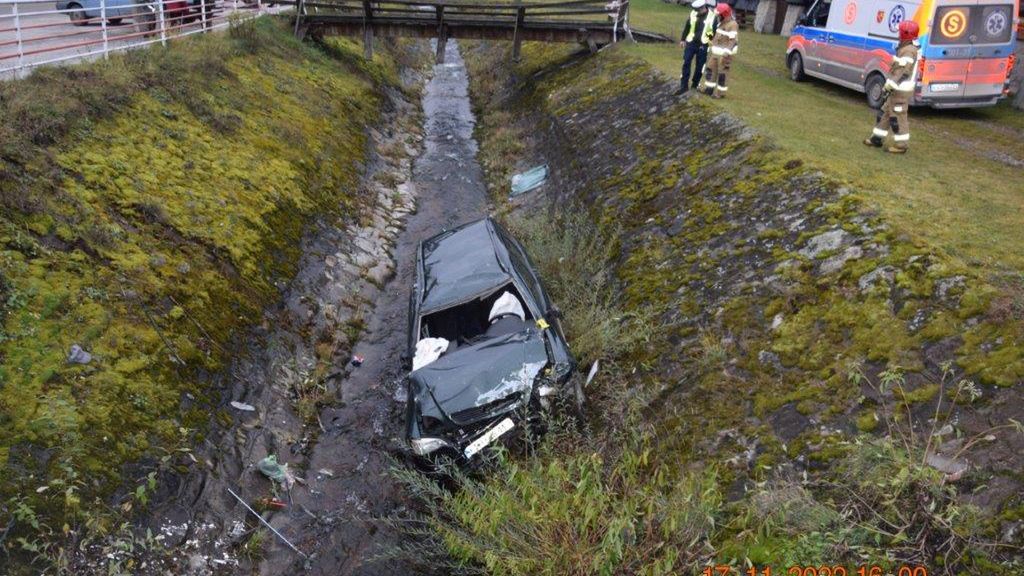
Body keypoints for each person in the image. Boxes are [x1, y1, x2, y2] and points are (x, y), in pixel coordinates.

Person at [864, 20, 920, 154]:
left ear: (906, 33)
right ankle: (877, 139)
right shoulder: (907, 48)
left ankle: (901, 145)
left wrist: (890, 85)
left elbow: (903, 72)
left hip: (900, 90)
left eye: (900, 32)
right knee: (885, 113)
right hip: (897, 89)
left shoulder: (908, 51)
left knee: (898, 117)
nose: (899, 34)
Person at [676, 0, 715, 95]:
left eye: (698, 10)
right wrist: (683, 39)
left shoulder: (712, 16)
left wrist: (708, 40)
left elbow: (712, 30)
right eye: (695, 10)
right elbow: (688, 26)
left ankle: (695, 85)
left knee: (700, 66)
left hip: (703, 44)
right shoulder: (693, 13)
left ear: (703, 8)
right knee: (686, 62)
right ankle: (684, 85)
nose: (696, 12)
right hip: (691, 42)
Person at [702, 3, 738, 98]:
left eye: (719, 15)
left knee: (722, 74)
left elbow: (732, 40)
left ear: (724, 14)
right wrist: (708, 34)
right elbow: (716, 36)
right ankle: (709, 89)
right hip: (715, 53)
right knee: (710, 70)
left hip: (724, 55)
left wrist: (727, 53)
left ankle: (720, 93)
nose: (718, 16)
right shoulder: (720, 23)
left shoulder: (733, 25)